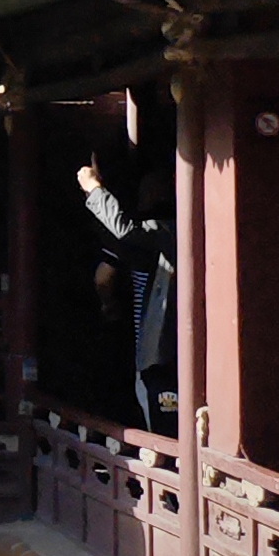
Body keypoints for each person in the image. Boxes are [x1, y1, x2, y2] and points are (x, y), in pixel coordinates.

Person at [77, 142, 176, 429]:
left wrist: (94, 189)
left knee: (162, 425)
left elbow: (105, 272)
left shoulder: (159, 232)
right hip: (162, 347)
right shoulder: (164, 233)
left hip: (160, 350)